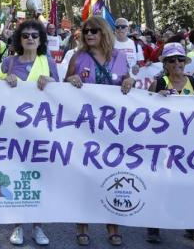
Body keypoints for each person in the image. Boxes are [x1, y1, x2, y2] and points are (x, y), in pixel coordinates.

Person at [126, 43, 194, 245]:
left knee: (191, 186)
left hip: (189, 146)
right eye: (172, 60)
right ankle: (153, 227)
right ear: (165, 64)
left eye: (180, 59)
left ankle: (193, 227)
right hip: (162, 146)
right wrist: (156, 99)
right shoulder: (159, 84)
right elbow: (146, 112)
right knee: (159, 184)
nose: (177, 63)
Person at [0, 19, 56, 246]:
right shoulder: (8, 62)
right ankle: (17, 224)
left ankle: (38, 226)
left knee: (39, 179)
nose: (29, 38)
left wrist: (51, 81)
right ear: (19, 39)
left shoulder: (47, 62)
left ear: (41, 40)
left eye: (34, 36)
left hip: (41, 131)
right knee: (17, 176)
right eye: (25, 35)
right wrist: (3, 80)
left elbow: (62, 90)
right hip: (13, 131)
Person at [63, 16, 125, 247]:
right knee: (86, 177)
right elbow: (63, 84)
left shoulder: (119, 57)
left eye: (94, 31)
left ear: (104, 34)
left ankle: (113, 227)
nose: (89, 35)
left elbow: (124, 81)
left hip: (112, 129)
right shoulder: (78, 57)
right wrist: (72, 78)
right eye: (86, 31)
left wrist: (128, 81)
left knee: (112, 177)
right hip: (84, 129)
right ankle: (82, 226)